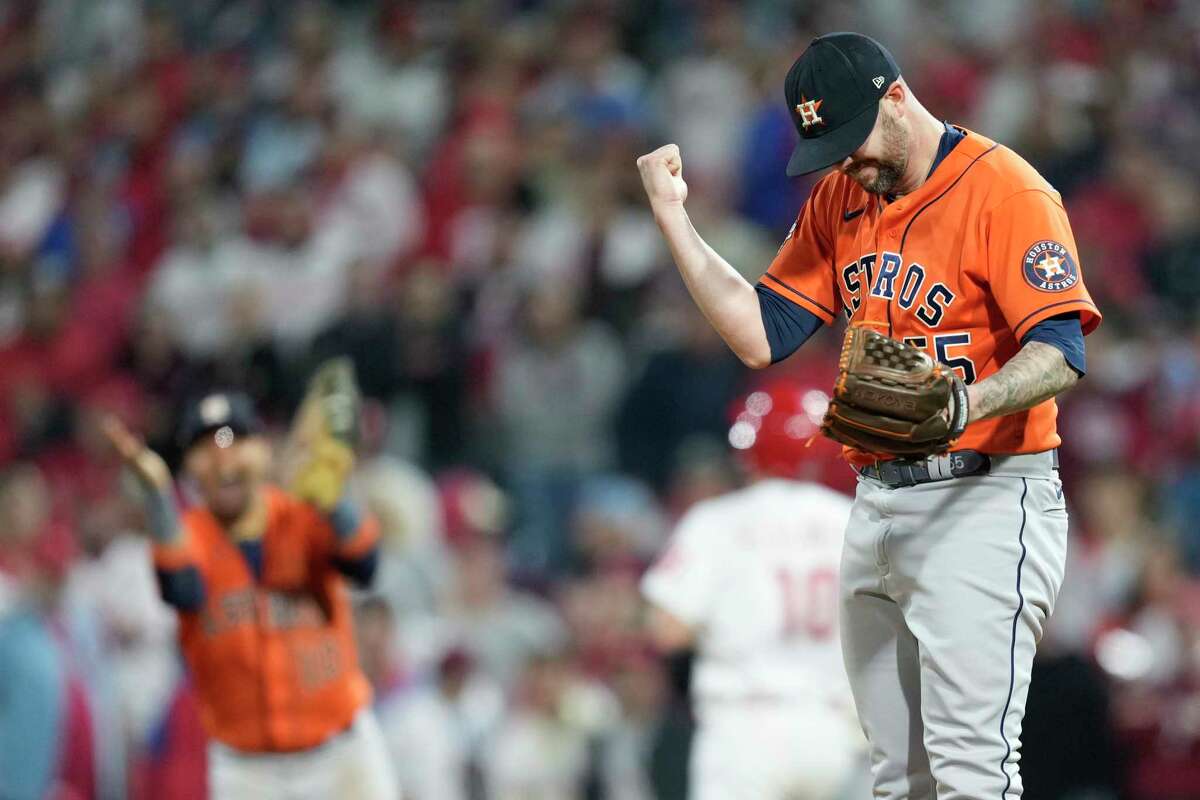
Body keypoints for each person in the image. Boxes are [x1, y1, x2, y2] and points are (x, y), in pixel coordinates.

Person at [636, 32, 1102, 800]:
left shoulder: (1006, 190)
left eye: (852, 141)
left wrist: (966, 402)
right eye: (829, 149)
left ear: (896, 97)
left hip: (983, 495)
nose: (846, 163)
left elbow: (1060, 349)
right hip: (877, 499)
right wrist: (674, 220)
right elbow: (762, 332)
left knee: (971, 773)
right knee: (897, 778)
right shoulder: (841, 195)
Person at [104, 391, 397, 800]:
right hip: (250, 772)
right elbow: (181, 589)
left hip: (340, 753)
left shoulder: (301, 514)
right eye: (205, 450)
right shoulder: (189, 535)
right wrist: (158, 498)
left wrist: (335, 500)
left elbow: (365, 566)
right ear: (189, 468)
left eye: (233, 443)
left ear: (263, 451)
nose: (223, 460)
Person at [641, 379, 866, 799]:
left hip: (746, 726)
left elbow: (667, 629)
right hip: (834, 729)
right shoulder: (852, 520)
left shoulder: (718, 521)